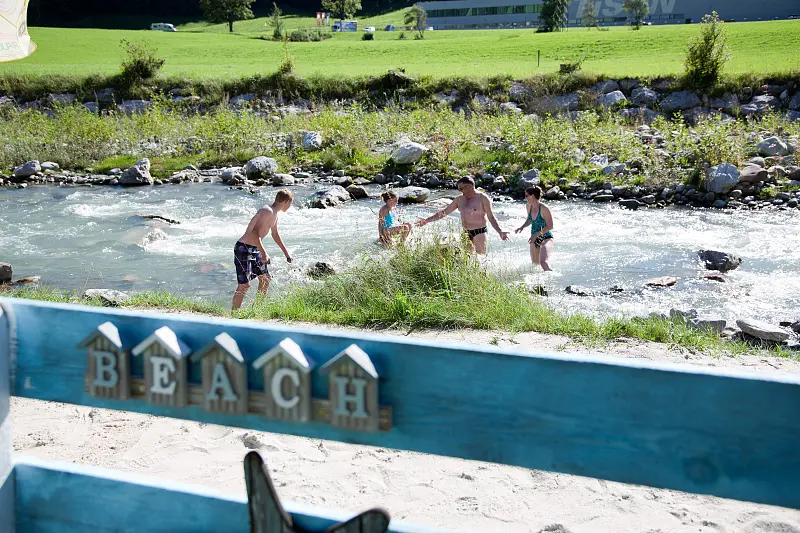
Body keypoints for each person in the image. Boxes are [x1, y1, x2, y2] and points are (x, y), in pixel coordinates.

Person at [231, 189, 294, 310]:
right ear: (286, 201)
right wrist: (264, 253)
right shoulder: (267, 211)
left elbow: (275, 234)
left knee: (265, 279)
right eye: (290, 203)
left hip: (255, 248)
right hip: (244, 248)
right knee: (244, 285)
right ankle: (234, 314)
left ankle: (257, 310)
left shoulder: (275, 214)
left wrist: (287, 254)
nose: (290, 206)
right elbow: (254, 232)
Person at [416, 176, 509, 254]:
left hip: (479, 232)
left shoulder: (483, 198)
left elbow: (491, 217)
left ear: (469, 187)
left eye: (461, 189)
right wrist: (427, 220)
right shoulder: (459, 199)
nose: (460, 191)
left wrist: (500, 231)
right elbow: (444, 212)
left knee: (481, 257)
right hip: (466, 232)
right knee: (466, 258)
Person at [515, 186, 554, 271]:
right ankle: (540, 280)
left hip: (546, 237)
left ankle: (553, 278)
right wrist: (522, 227)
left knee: (543, 263)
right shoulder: (528, 206)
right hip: (534, 238)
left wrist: (536, 235)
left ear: (532, 196)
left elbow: (550, 226)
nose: (525, 198)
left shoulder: (544, 208)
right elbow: (529, 220)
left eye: (526, 196)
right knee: (535, 266)